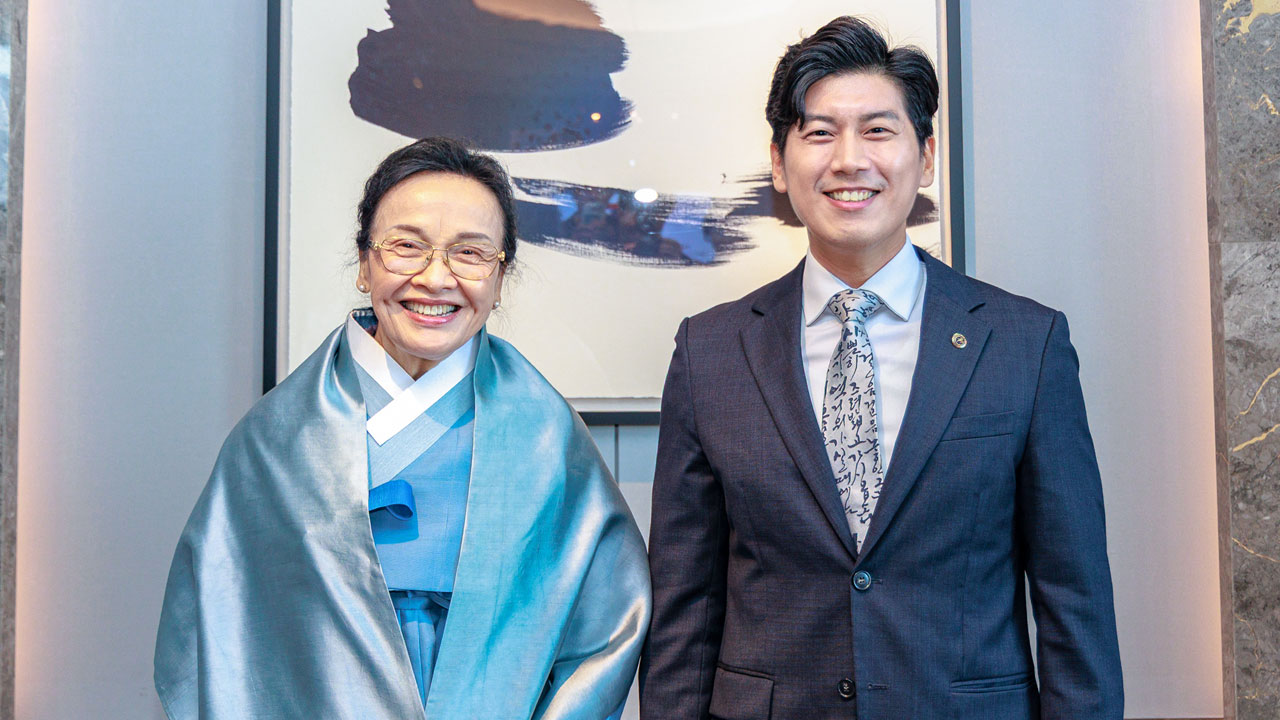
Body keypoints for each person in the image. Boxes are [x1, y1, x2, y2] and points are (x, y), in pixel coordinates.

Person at [640, 16, 1122, 720]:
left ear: (925, 157)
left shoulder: (1026, 344)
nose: (848, 160)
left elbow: (1073, 596)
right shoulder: (710, 352)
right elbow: (685, 604)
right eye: (819, 132)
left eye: (877, 130)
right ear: (779, 163)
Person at [155, 137, 650, 719]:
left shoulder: (546, 435)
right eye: (406, 247)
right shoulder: (277, 438)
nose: (436, 278)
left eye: (470, 253)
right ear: (364, 264)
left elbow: (604, 631)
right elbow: (213, 627)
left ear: (500, 277)